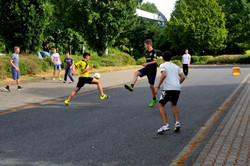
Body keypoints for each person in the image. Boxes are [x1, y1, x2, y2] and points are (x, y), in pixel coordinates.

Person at [155, 51, 185, 134]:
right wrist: (177, 83)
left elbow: (163, 75)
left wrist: (157, 86)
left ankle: (165, 125)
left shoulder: (163, 65)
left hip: (168, 88)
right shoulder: (176, 66)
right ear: (170, 58)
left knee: (160, 105)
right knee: (174, 104)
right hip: (177, 88)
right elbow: (183, 77)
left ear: (163, 59)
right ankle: (177, 122)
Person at [124, 39, 158, 107]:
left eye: (145, 45)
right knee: (136, 73)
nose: (145, 46)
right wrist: (146, 65)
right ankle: (132, 86)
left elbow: (155, 61)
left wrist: (147, 63)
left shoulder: (154, 52)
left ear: (149, 44)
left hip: (152, 71)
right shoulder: (146, 52)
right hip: (146, 69)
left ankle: (154, 99)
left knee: (151, 86)